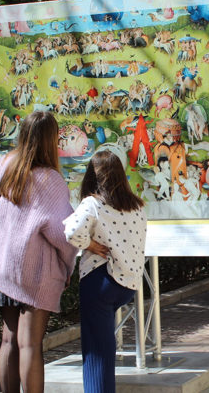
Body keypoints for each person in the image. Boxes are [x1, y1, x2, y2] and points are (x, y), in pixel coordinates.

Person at [0, 110, 79, 393]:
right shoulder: (49, 179)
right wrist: (67, 267)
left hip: (1, 263)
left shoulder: (4, 164)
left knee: (9, 341)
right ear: (50, 141)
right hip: (34, 271)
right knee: (30, 345)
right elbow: (64, 234)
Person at [64, 150, 147, 393]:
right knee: (105, 345)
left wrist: (89, 245)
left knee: (97, 352)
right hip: (127, 284)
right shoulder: (138, 206)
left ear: (92, 176)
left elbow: (71, 232)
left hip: (99, 280)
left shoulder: (93, 203)